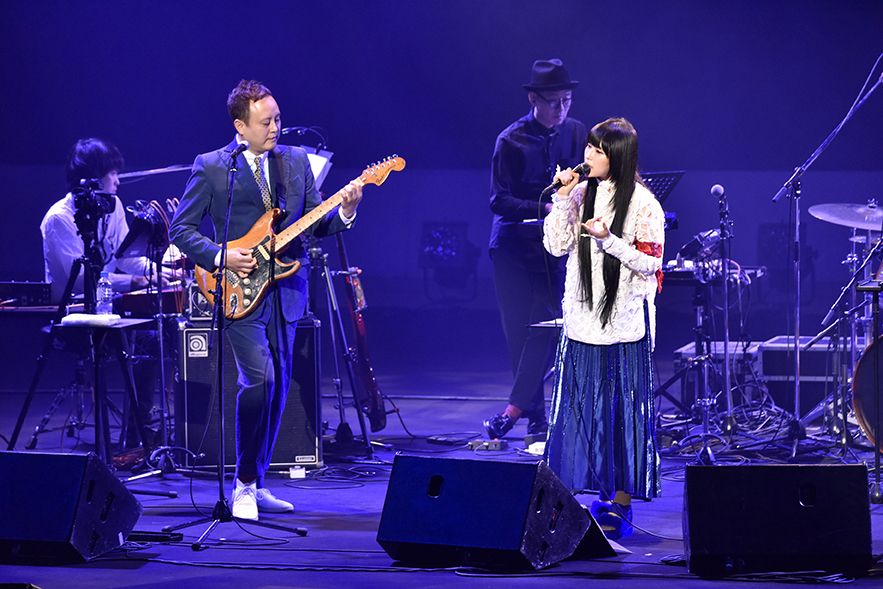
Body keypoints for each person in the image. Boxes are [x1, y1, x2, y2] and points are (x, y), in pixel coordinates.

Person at [169, 80, 363, 521]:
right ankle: (241, 484)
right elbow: (181, 229)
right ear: (240, 126)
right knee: (259, 380)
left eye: (277, 119)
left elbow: (315, 222)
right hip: (236, 287)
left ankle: (254, 483)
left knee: (278, 387)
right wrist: (221, 256)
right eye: (265, 122)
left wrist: (346, 211)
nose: (275, 128)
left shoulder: (295, 162)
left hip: (286, 289)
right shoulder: (212, 166)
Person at [542, 117, 664, 539]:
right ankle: (570, 500)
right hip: (582, 321)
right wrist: (561, 198)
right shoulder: (578, 194)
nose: (588, 156)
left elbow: (652, 264)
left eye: (598, 150)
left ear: (618, 156)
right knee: (578, 412)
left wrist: (609, 241)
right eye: (589, 147)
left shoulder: (645, 204)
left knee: (621, 413)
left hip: (624, 325)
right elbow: (556, 245)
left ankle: (621, 503)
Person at [40, 137, 167, 450]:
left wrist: (160, 269)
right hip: (73, 313)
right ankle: (138, 432)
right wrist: (132, 282)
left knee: (155, 334)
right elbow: (81, 280)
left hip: (110, 305)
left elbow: (126, 258)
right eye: (112, 173)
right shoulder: (59, 218)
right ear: (94, 178)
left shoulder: (114, 207)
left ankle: (139, 431)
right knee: (141, 339)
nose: (118, 180)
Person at [484, 59, 587, 439]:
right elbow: (499, 201)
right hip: (513, 248)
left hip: (552, 247)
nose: (561, 108)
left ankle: (516, 412)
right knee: (519, 333)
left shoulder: (576, 132)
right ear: (533, 99)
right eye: (554, 102)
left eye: (567, 100)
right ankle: (535, 418)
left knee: (545, 326)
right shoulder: (510, 140)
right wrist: (545, 207)